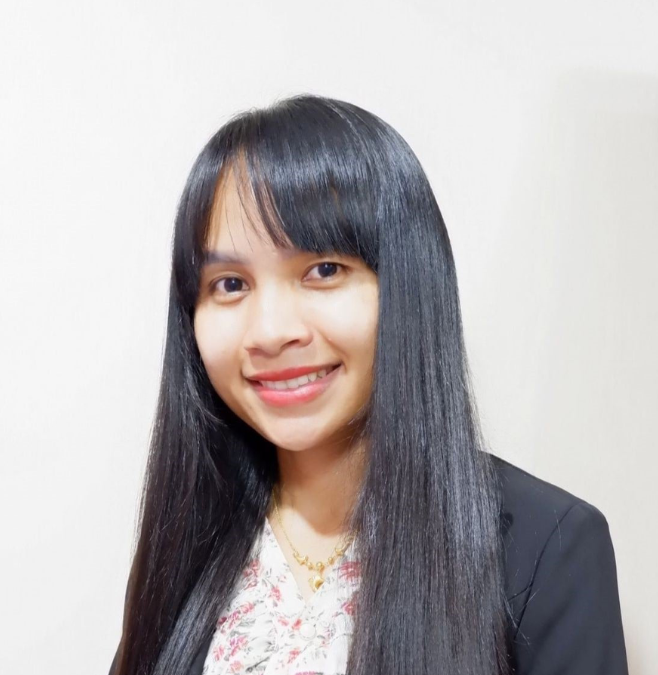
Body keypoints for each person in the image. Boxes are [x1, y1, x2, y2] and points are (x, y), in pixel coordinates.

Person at [107, 94, 629, 675]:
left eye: (323, 270)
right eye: (229, 284)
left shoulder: (546, 547)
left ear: (407, 284)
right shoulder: (190, 535)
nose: (271, 332)